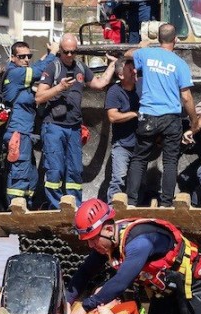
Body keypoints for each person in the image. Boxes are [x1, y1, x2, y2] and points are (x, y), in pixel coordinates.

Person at [66, 199, 201, 314]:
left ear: (109, 229)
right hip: (165, 292)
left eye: (93, 239)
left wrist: (84, 307)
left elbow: (120, 283)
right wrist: (66, 302)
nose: (90, 246)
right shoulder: (107, 243)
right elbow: (84, 273)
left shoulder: (140, 243)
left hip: (195, 285)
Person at [35, 34, 117, 209]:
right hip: (54, 127)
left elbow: (99, 84)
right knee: (55, 170)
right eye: (66, 52)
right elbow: (39, 96)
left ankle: (75, 207)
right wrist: (59, 87)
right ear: (60, 51)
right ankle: (57, 207)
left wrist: (112, 65)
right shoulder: (52, 68)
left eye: (73, 52)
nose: (70, 55)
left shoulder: (81, 67)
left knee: (75, 171)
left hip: (74, 128)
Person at [123, 23, 198, 208]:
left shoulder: (147, 54)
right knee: (170, 160)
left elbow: (127, 54)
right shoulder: (180, 64)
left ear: (158, 39)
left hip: (148, 114)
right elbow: (186, 97)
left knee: (139, 158)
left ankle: (131, 202)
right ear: (176, 40)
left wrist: (142, 46)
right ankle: (166, 203)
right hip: (171, 118)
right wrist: (194, 121)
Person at [2, 40, 59, 206]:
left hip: (24, 132)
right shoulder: (15, 73)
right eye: (22, 56)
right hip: (17, 132)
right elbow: (39, 71)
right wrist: (53, 53)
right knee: (20, 172)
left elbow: (36, 68)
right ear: (13, 58)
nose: (26, 59)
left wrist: (44, 58)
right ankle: (16, 206)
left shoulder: (20, 75)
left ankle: (29, 205)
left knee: (31, 174)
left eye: (29, 56)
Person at [105, 57, 140, 201]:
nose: (134, 72)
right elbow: (112, 116)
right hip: (122, 145)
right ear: (120, 75)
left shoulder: (142, 87)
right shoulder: (114, 91)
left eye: (135, 69)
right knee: (118, 180)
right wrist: (134, 114)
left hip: (140, 146)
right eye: (130, 70)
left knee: (137, 183)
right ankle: (112, 213)